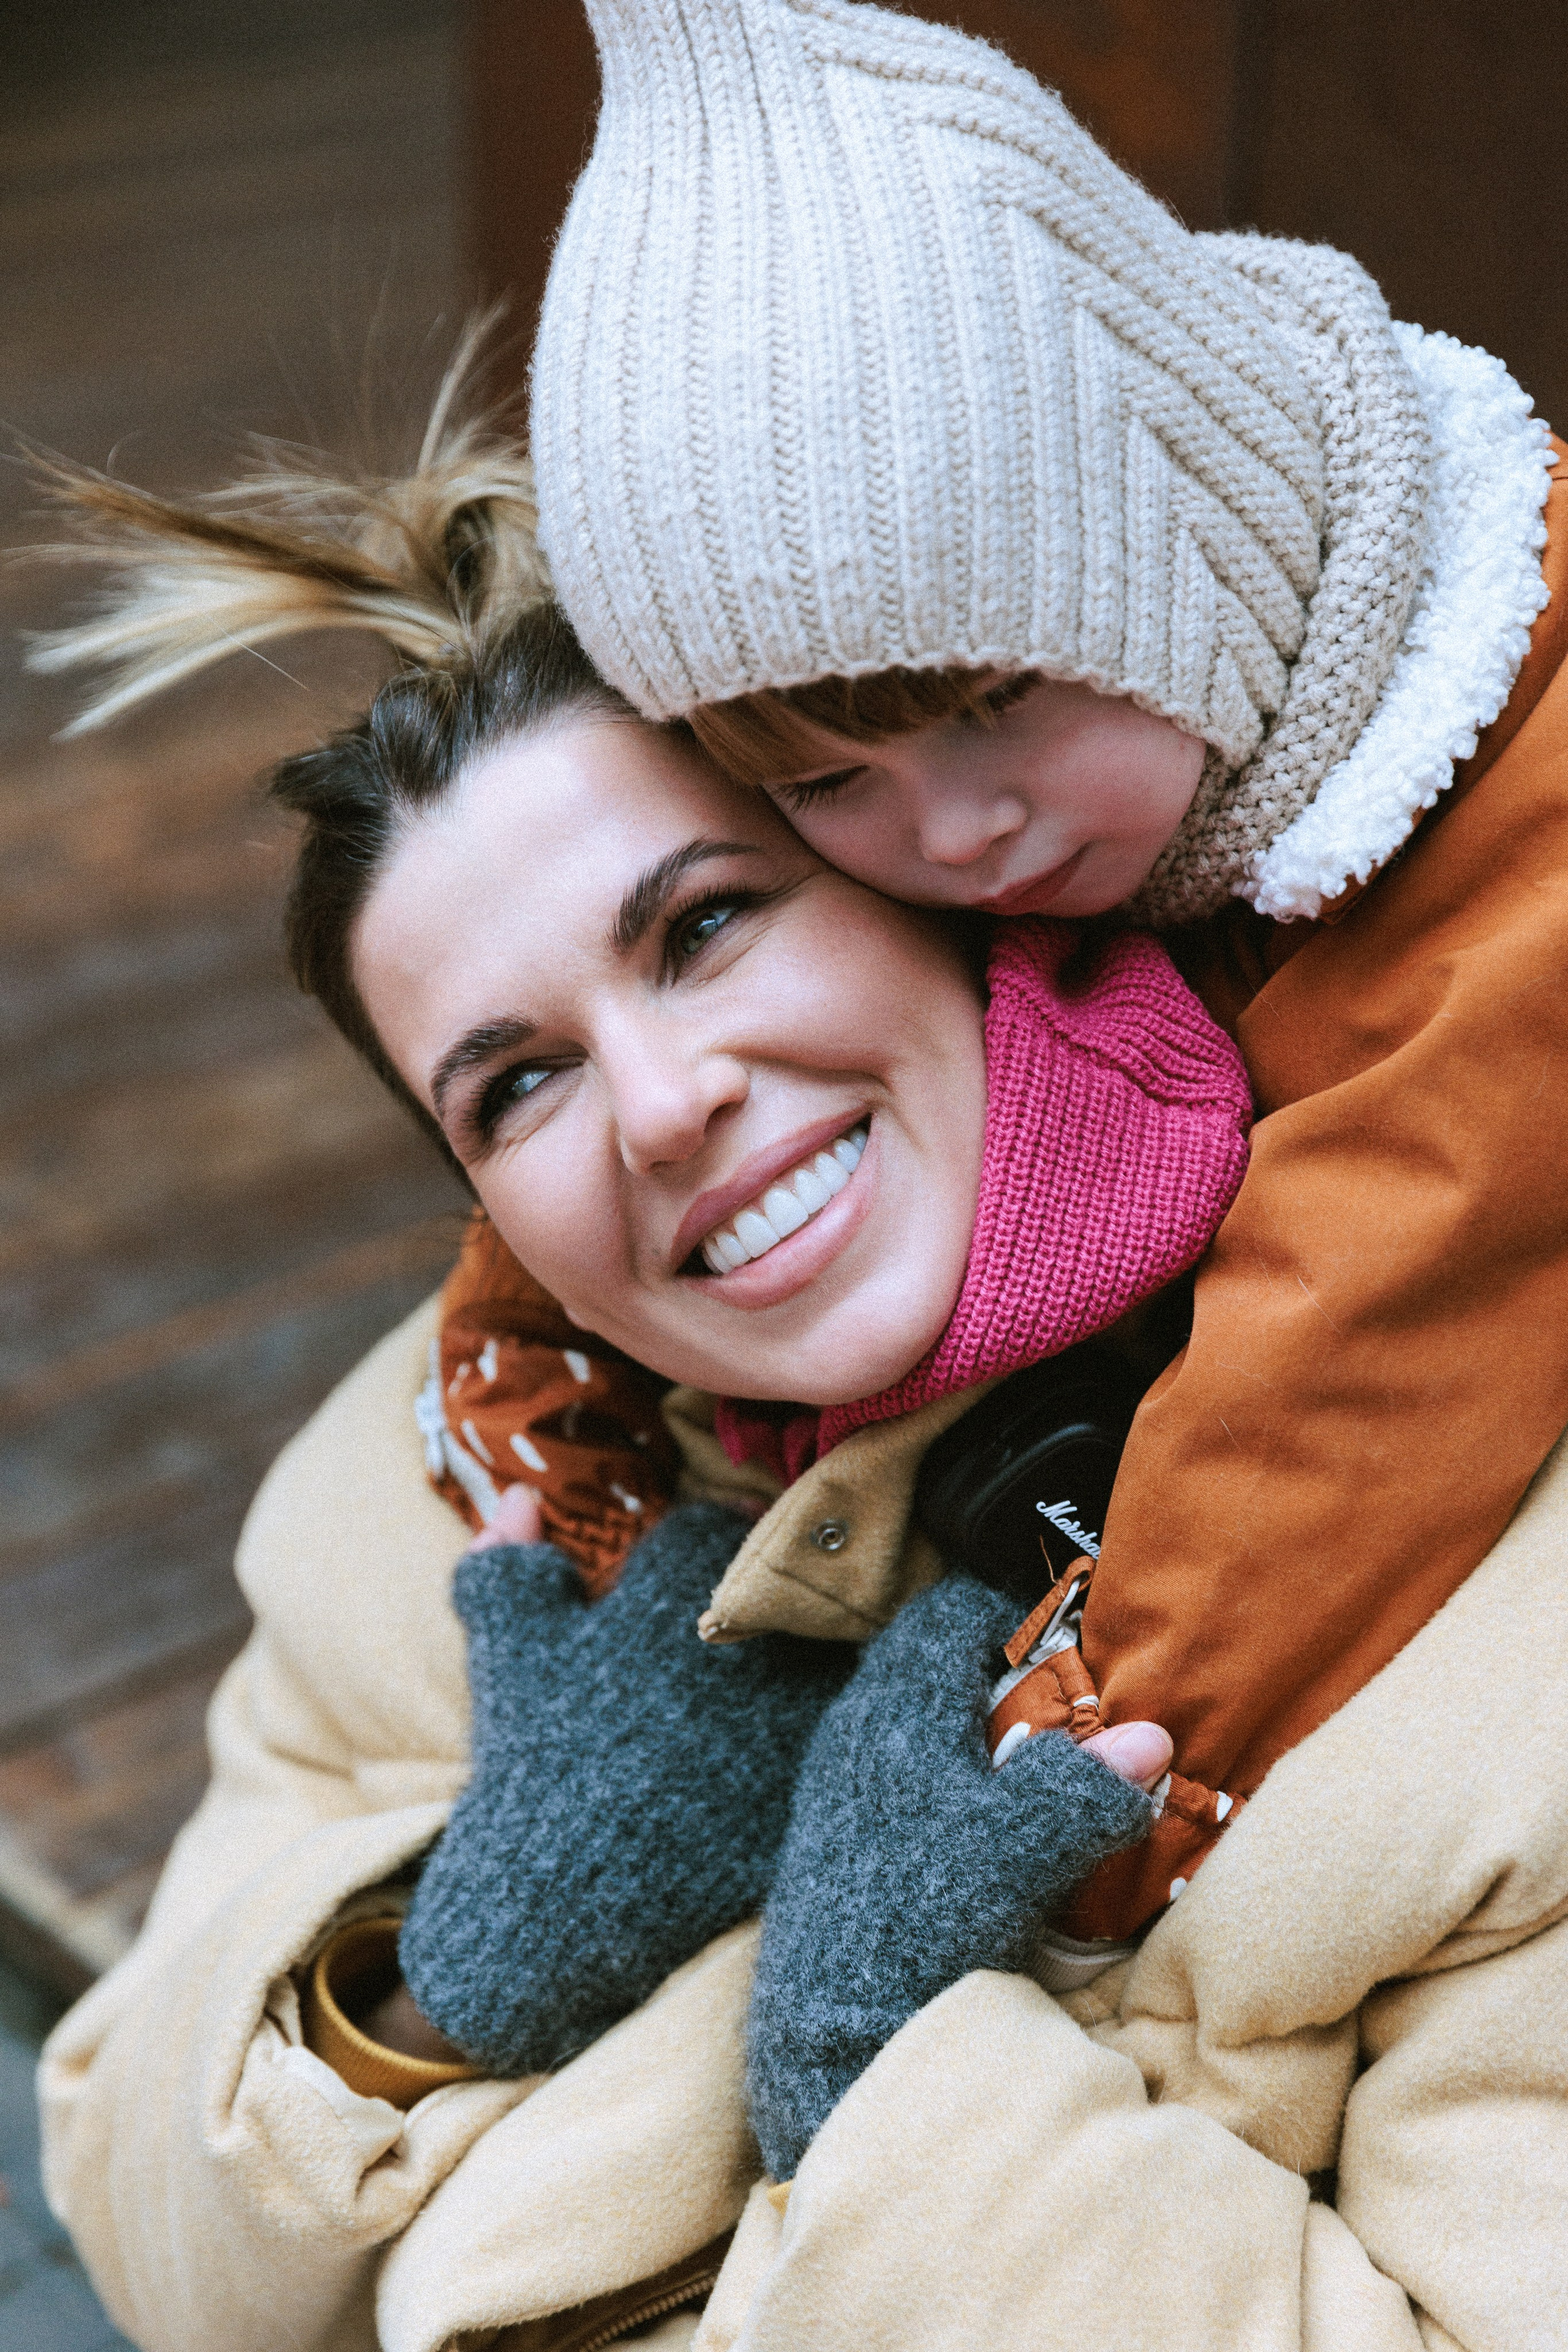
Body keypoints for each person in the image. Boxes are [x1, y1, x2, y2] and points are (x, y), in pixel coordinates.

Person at [29, 385, 1254, 2346]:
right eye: (518, 1082)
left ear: (943, 896)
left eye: (707, 924)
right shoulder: (461, 1493)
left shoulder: (1415, 1402)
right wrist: (448, 1969)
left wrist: (889, 2078)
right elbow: (134, 2203)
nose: (666, 1106)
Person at [524, 0, 1568, 1947]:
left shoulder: (1524, 798)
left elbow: (1360, 1343)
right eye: (826, 784)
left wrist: (1065, 1800)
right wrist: (529, 1351)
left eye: (1002, 696)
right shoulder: (1124, 773)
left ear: (1183, 537)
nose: (958, 834)